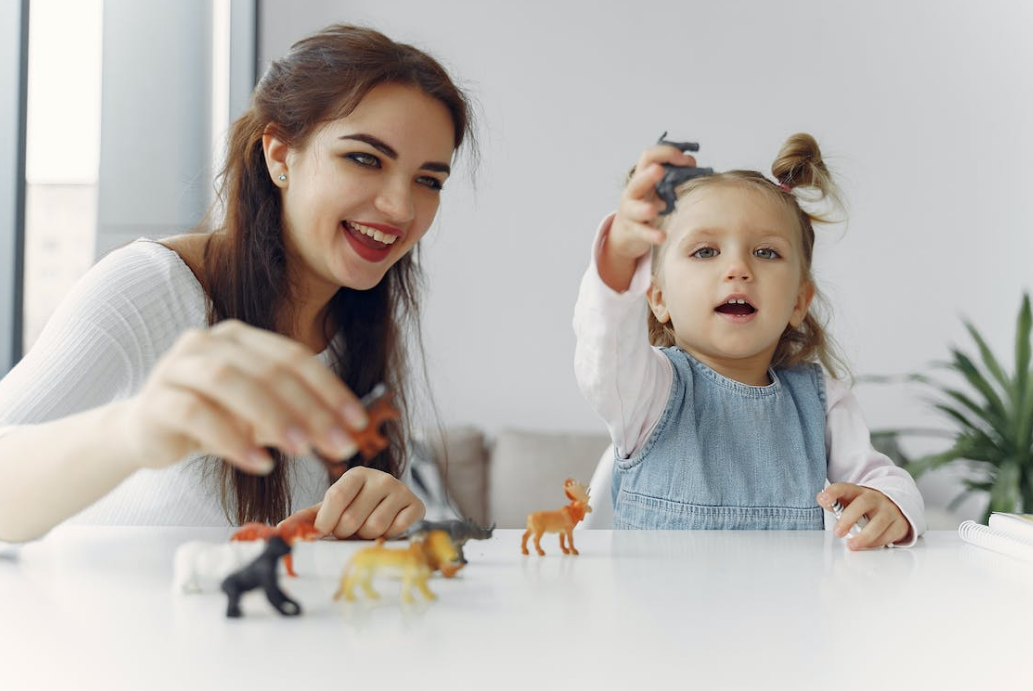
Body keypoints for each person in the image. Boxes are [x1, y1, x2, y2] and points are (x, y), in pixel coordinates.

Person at [0, 24, 475, 543]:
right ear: (279, 154)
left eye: (428, 181)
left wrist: (378, 510)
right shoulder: (151, 287)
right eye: (364, 158)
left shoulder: (362, 326)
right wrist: (135, 429)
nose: (402, 208)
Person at [573, 134, 926, 549]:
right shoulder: (647, 392)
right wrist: (618, 253)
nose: (738, 268)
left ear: (798, 302)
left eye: (766, 252)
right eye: (705, 252)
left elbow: (880, 478)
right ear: (659, 298)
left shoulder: (822, 402)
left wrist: (891, 505)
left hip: (788, 612)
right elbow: (605, 343)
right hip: (662, 612)